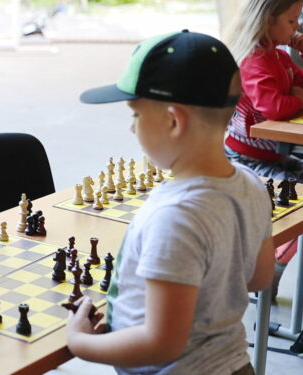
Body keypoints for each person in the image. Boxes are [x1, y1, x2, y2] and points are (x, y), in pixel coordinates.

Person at [70, 30, 275, 375]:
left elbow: (162, 344)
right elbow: (259, 278)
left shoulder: (175, 216)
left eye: (135, 114)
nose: (132, 129)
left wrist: (80, 343)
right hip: (234, 364)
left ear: (173, 120)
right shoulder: (251, 184)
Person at [223, 0, 303, 303]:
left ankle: (273, 265)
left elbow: (299, 84)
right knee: (298, 204)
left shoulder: (278, 56)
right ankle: (269, 268)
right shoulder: (256, 61)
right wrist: (297, 97)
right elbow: (273, 107)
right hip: (248, 160)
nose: (297, 27)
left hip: (273, 155)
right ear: (267, 21)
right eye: (292, 21)